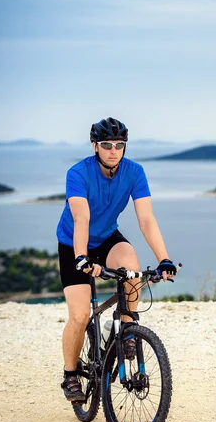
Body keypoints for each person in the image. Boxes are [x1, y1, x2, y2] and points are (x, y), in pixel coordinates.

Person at [56, 117, 177, 402]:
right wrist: (82, 258)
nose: (113, 150)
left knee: (132, 268)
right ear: (95, 146)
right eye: (107, 145)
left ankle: (126, 329)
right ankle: (71, 374)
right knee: (79, 315)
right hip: (74, 243)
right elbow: (80, 217)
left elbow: (146, 219)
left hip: (108, 237)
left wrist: (164, 259)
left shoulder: (135, 172)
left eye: (119, 145)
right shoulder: (78, 173)